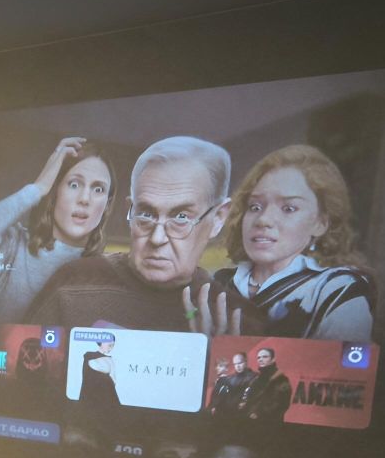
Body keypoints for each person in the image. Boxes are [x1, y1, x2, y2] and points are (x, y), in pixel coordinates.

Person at [26, 136, 231, 331]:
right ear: (130, 209)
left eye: (181, 217)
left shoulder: (237, 316)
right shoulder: (74, 282)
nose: (157, 238)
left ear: (218, 218)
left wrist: (217, 351)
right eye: (146, 214)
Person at [211, 144, 374, 341]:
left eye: (288, 208)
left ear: (320, 224)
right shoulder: (216, 283)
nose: (263, 219)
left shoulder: (336, 292)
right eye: (255, 207)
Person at [0, 137, 116, 323]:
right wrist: (37, 189)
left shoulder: (107, 275)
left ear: (107, 205)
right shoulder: (14, 248)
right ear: (54, 192)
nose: (84, 199)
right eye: (74, 185)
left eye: (98, 189)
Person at [240, 347, 291, 423]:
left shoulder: (281, 379)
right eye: (259, 357)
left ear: (273, 359)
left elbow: (282, 403)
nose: (260, 359)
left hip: (269, 423)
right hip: (252, 421)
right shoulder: (257, 378)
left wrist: (258, 413)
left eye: (265, 357)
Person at [208, 352, 255, 417]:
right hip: (228, 412)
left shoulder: (254, 377)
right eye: (235, 364)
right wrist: (215, 406)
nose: (237, 366)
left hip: (243, 412)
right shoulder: (230, 379)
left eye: (240, 363)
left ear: (246, 362)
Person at [80, 340, 119, 405]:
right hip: (91, 394)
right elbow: (104, 368)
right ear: (102, 342)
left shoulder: (110, 359)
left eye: (113, 345)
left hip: (107, 394)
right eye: (109, 345)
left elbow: (113, 379)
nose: (111, 348)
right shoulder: (89, 355)